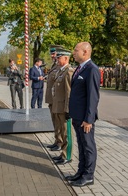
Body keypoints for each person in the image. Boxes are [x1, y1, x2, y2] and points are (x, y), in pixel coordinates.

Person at [67, 42, 100, 187]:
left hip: (85, 119)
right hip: (77, 116)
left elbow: (93, 97)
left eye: (76, 50)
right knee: (81, 145)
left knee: (88, 146)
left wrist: (89, 119)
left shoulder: (92, 69)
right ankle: (80, 172)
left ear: (85, 52)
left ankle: (88, 175)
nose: (73, 53)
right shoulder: (80, 68)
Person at [50, 48, 74, 165]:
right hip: (57, 106)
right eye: (57, 57)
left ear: (66, 58)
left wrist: (68, 109)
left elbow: (69, 93)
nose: (57, 59)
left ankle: (67, 156)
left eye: (59, 58)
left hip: (64, 108)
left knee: (66, 133)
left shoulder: (68, 71)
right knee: (62, 131)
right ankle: (62, 154)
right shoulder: (60, 71)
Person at [45, 45, 62, 150]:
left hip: (57, 100)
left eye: (54, 53)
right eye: (51, 53)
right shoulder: (53, 66)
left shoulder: (60, 66)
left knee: (59, 123)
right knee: (54, 122)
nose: (52, 56)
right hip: (52, 99)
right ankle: (57, 140)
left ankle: (60, 143)